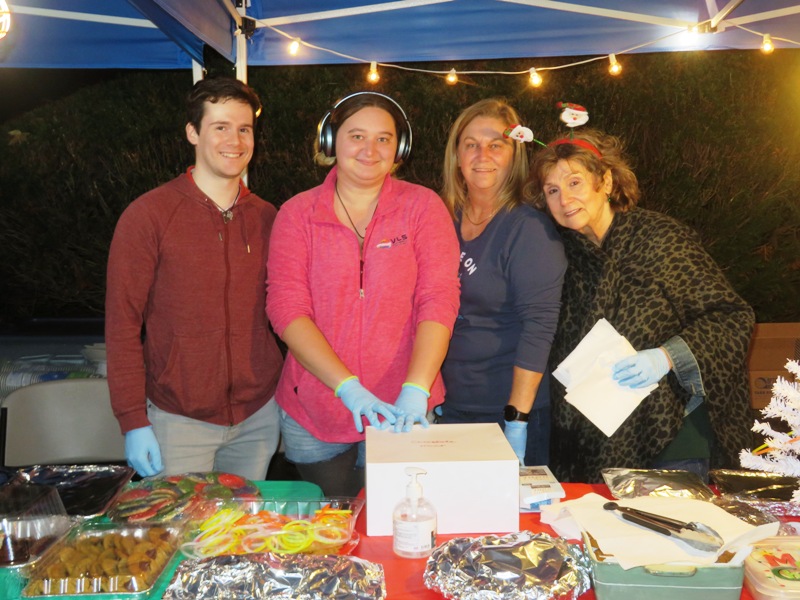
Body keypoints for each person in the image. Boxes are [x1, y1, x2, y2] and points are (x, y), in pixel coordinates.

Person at [527, 127, 755, 483]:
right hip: (591, 448)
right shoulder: (557, 257)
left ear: (604, 181)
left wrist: (666, 357)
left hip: (672, 440)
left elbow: (731, 318)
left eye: (575, 183)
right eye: (552, 190)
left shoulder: (660, 239)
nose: (564, 199)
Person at [266, 91, 460, 496]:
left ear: (399, 148)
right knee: (332, 529)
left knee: (397, 524)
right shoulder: (297, 214)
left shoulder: (423, 208)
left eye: (384, 139)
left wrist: (417, 388)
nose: (370, 149)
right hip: (315, 407)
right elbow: (287, 308)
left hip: (403, 412)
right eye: (356, 135)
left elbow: (438, 299)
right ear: (331, 141)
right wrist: (347, 388)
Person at [106, 77, 284, 480]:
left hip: (258, 418)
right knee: (179, 540)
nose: (234, 141)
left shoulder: (269, 218)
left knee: (241, 537)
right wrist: (133, 420)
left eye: (244, 129)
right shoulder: (149, 216)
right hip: (177, 422)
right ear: (193, 132)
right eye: (220, 127)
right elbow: (122, 326)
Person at [438, 99, 566, 466]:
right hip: (449, 405)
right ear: (456, 155)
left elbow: (539, 327)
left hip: (506, 410)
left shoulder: (528, 229)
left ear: (515, 155)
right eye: (471, 144)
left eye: (496, 144)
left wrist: (517, 420)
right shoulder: (442, 217)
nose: (483, 154)